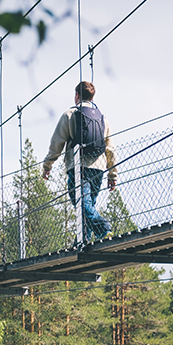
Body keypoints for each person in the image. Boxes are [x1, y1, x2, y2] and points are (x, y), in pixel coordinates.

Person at [42, 81, 117, 242]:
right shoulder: (103, 119)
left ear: (77, 95)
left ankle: (103, 228)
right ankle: (82, 239)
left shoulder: (69, 115)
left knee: (82, 203)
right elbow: (110, 149)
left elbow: (57, 143)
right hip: (98, 169)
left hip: (78, 167)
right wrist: (112, 175)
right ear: (92, 97)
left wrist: (47, 165)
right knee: (87, 204)